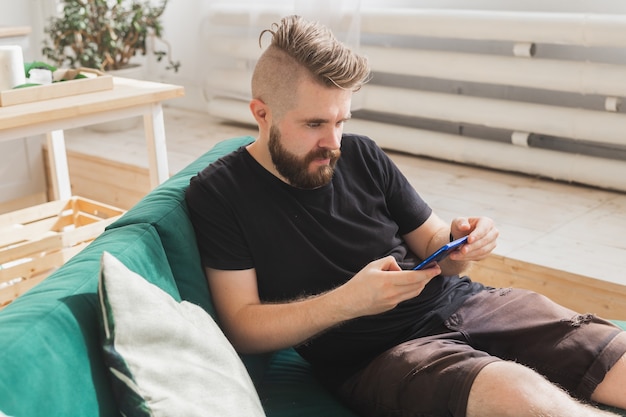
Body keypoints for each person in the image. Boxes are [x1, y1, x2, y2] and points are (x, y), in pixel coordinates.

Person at [186, 15, 626, 417]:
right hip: (378, 355)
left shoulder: (362, 153)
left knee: (612, 353)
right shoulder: (219, 194)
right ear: (261, 113)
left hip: (463, 303)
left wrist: (462, 240)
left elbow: (437, 246)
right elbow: (242, 324)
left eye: (341, 121)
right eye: (315, 124)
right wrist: (349, 301)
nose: (334, 142)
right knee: (519, 393)